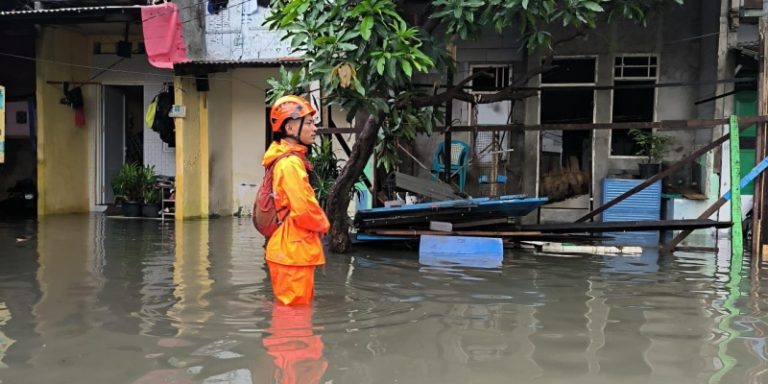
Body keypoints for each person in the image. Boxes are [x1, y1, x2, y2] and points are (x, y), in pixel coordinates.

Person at [262, 95, 330, 305]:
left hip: (293, 251)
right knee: (293, 322)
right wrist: (324, 225)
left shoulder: (290, 160)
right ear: (290, 129)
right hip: (292, 253)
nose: (314, 128)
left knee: (294, 317)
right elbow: (303, 210)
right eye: (308, 123)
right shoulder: (290, 163)